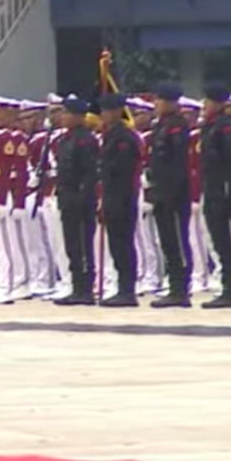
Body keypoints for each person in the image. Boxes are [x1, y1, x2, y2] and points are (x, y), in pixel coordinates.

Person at [148, 84, 192, 308]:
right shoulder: (161, 126)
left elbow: (177, 164)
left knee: (177, 240)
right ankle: (174, 285)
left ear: (171, 102)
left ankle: (181, 288)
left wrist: (172, 192)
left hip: (174, 194)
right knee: (167, 241)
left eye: (160, 100)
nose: (156, 104)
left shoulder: (176, 126)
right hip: (161, 192)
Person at [97, 93, 143, 307]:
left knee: (123, 244)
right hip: (112, 195)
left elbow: (122, 171)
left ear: (117, 111)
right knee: (116, 244)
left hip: (123, 197)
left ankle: (127, 290)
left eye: (107, 111)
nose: (103, 115)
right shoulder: (111, 134)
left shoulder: (124, 137)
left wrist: (116, 199)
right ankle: (123, 288)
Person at [53, 97, 100, 306]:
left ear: (78, 116)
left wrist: (83, 197)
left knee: (82, 244)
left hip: (80, 199)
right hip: (66, 196)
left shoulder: (85, 140)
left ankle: (86, 289)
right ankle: (76, 286)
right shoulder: (65, 140)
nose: (63, 117)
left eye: (67, 113)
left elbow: (90, 173)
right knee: (72, 245)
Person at [199, 83, 231, 309]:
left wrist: (229, 189)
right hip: (213, 188)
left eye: (206, 101)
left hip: (224, 190)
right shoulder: (212, 126)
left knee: (228, 241)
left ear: (217, 102)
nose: (203, 105)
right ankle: (228, 286)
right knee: (219, 240)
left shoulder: (227, 127)